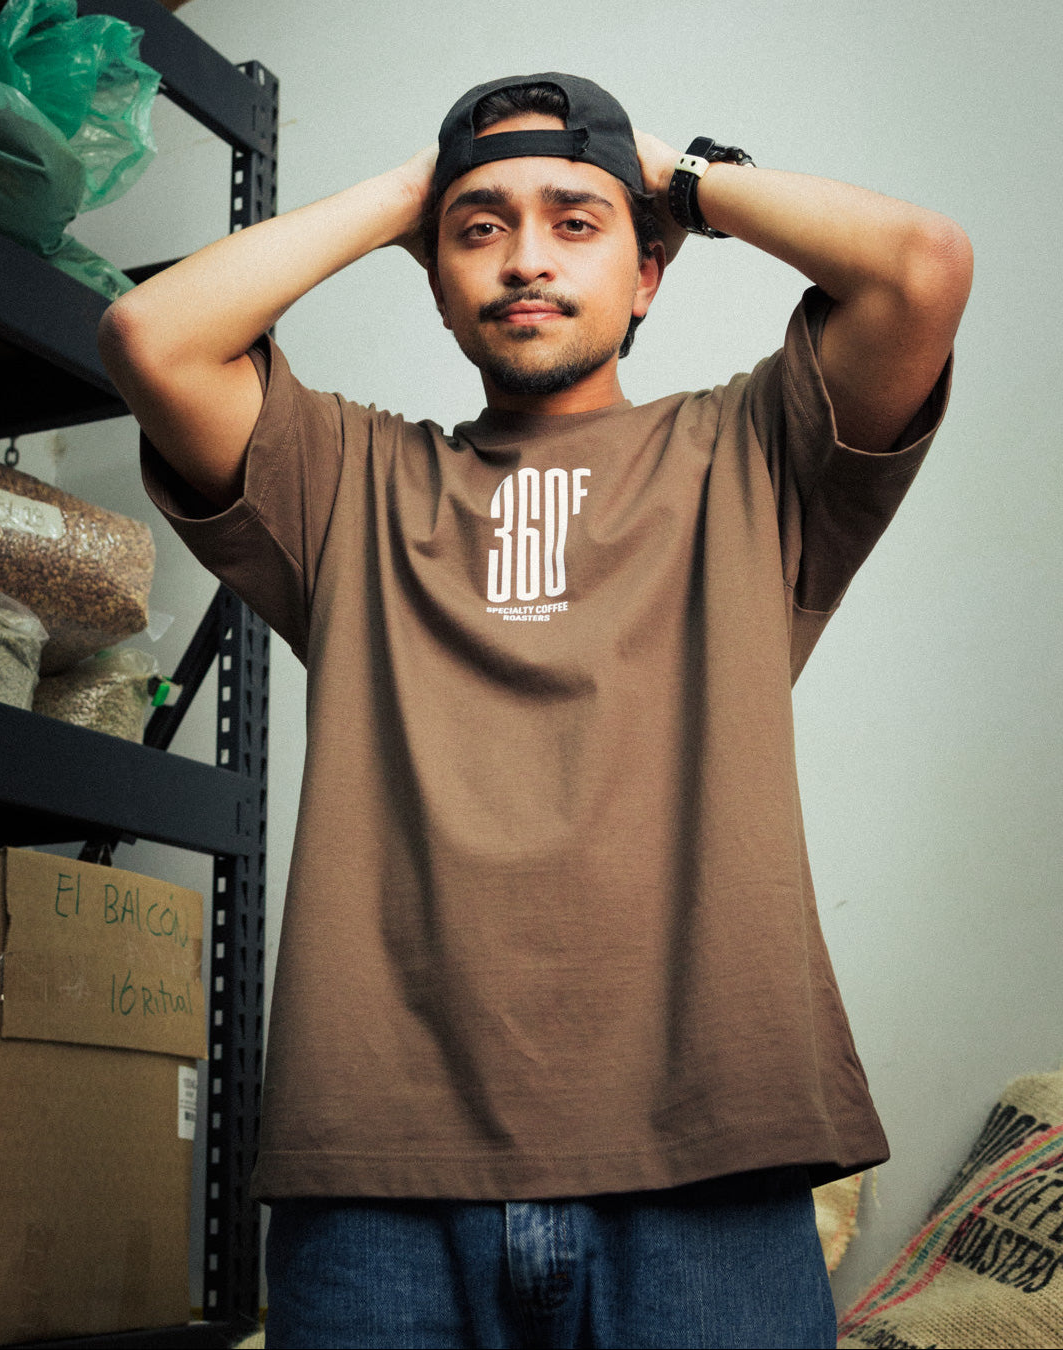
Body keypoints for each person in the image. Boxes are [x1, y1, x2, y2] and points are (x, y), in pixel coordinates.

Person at [98, 72, 972, 1350]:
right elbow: (149, 338)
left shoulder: (753, 456)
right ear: (435, 272)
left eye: (577, 223)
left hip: (707, 1167)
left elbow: (922, 268)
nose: (524, 260)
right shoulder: (351, 485)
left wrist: (671, 174)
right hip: (380, 1180)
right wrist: (415, 190)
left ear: (649, 273)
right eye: (480, 230)